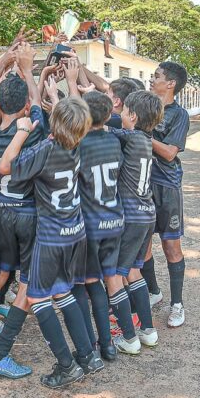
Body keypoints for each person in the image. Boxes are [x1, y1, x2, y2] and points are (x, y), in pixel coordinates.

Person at [0, 95, 102, 389]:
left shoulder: (46, 149)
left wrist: (22, 130)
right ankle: (88, 355)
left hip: (52, 236)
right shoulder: (78, 144)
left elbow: (5, 166)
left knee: (37, 298)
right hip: (75, 232)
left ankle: (66, 366)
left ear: (54, 125)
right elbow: (73, 120)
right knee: (63, 292)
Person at [0, 44, 45, 378]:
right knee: (27, 286)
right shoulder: (33, 135)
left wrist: (9, 73)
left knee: (1, 271)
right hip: (27, 214)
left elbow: (3, 112)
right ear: (23, 106)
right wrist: (30, 72)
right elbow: (36, 108)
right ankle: (0, 353)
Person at [106, 90, 164, 354]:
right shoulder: (146, 138)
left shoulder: (129, 137)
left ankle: (129, 337)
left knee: (117, 273)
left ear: (132, 116)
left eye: (123, 111)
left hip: (131, 215)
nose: (120, 116)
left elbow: (102, 128)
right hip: (146, 213)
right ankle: (148, 331)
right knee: (133, 271)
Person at [74, 90, 124, 362]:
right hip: (114, 220)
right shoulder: (115, 141)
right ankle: (109, 344)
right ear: (108, 116)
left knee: (85, 284)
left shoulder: (79, 144)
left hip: (90, 224)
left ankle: (90, 345)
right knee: (105, 281)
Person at [144, 61, 190, 328]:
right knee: (143, 244)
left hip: (167, 187)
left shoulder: (179, 115)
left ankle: (177, 305)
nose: (153, 80)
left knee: (171, 246)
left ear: (170, 84)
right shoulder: (147, 106)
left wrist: (140, 135)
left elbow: (170, 153)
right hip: (142, 186)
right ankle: (153, 291)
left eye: (157, 76)